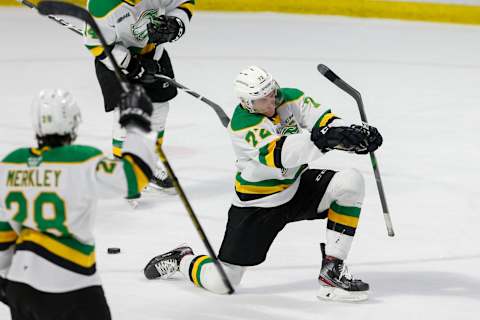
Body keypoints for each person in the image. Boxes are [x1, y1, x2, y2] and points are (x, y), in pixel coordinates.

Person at [143, 66, 383, 302]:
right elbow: (282, 155)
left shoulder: (289, 97)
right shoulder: (243, 125)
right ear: (248, 103)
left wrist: (352, 136)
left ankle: (332, 270)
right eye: (263, 101)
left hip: (296, 187)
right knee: (223, 283)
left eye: (272, 95)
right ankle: (182, 259)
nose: (271, 103)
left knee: (350, 182)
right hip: (258, 205)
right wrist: (326, 141)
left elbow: (324, 123)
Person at [0, 85, 157, 319]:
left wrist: (6, 279)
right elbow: (135, 176)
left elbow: (4, 232)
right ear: (73, 122)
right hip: (71, 283)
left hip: (21, 284)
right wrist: (135, 125)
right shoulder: (82, 161)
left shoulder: (11, 163)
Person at [84, 0, 195, 194]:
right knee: (128, 113)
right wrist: (131, 65)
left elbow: (185, 2)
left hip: (154, 55)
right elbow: (96, 44)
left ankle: (148, 165)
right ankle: (123, 170)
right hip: (116, 62)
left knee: (159, 110)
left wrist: (176, 23)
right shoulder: (102, 5)